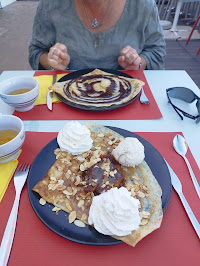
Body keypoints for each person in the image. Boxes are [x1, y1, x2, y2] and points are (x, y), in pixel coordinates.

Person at [29, 0, 166, 71]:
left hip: (128, 100)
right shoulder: (50, 4)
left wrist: (138, 64)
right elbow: (36, 51)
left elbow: (156, 51)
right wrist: (53, 62)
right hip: (65, 100)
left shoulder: (143, 5)